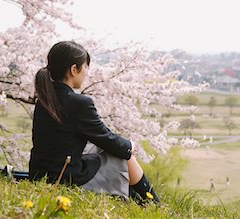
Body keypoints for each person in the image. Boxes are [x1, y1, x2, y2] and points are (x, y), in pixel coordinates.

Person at [28, 41, 159, 204]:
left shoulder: (44, 99)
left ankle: (139, 199)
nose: (87, 73)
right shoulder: (79, 102)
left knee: (109, 148)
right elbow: (104, 137)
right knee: (123, 154)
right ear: (74, 70)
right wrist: (129, 146)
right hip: (66, 178)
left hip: (40, 174)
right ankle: (153, 202)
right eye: (85, 67)